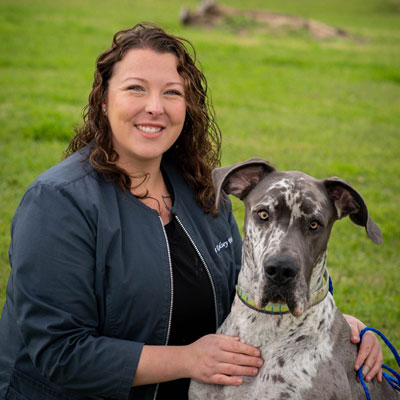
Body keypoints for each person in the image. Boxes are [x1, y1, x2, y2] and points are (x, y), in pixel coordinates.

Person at [0, 23, 383, 400]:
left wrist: (334, 329)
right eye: (136, 88)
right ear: (104, 99)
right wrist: (187, 360)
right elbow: (59, 353)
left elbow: (252, 277)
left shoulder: (201, 192)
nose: (155, 107)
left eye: (171, 92)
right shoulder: (57, 202)